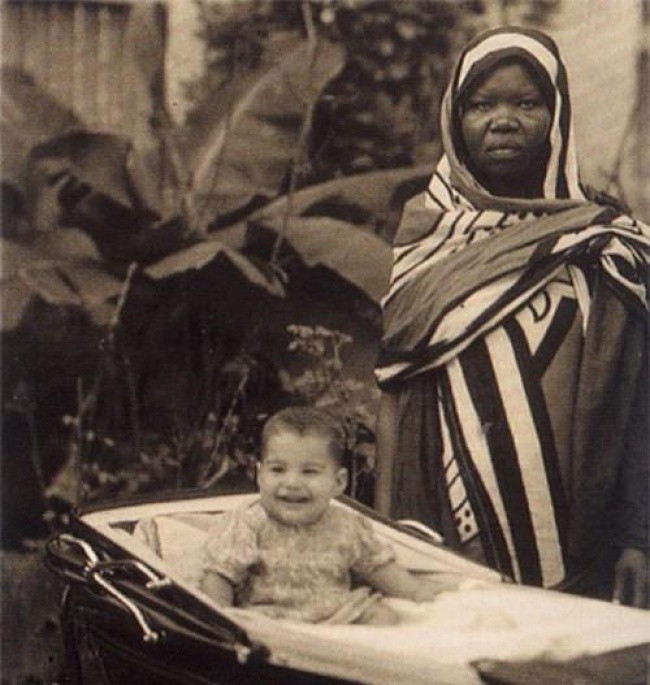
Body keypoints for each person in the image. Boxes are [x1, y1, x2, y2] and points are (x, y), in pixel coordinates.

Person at [375, 26, 649, 607]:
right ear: (455, 117)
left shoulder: (606, 243)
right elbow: (399, 404)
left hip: (583, 545)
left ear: (557, 116)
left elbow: (640, 402)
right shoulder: (428, 239)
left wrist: (639, 536)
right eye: (482, 104)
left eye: (526, 102)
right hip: (448, 542)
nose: (503, 119)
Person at [201, 406, 443, 624]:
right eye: (277, 469)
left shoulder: (346, 525)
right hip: (271, 620)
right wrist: (220, 617)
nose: (292, 482)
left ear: (338, 482)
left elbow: (376, 566)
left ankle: (359, 664)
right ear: (259, 475)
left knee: (384, 617)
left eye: (309, 472)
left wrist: (414, 591)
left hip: (337, 615)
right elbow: (220, 576)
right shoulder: (248, 522)